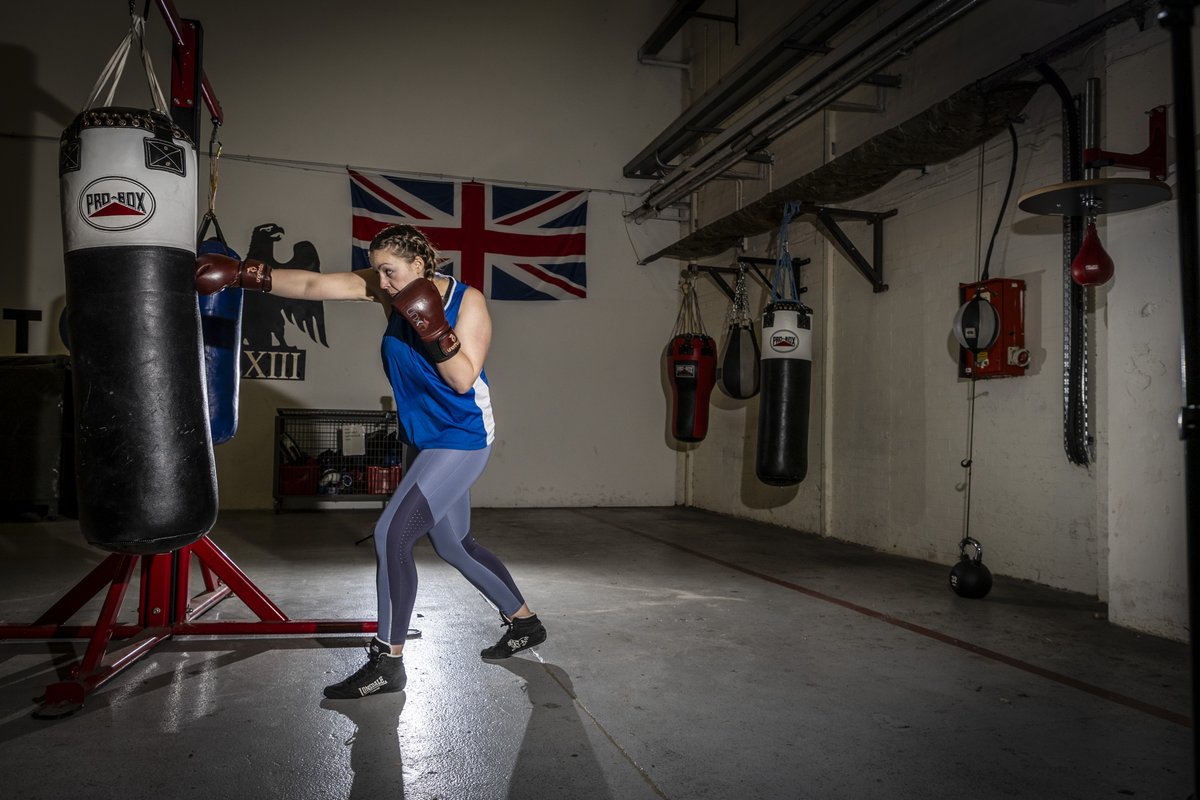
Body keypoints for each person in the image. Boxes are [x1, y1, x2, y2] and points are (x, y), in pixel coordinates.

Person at [195, 224, 547, 700]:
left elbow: (463, 380)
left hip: (462, 437)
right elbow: (313, 285)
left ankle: (388, 661)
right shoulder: (388, 292)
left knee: (391, 534)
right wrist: (242, 275)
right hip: (428, 439)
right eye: (377, 271)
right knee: (455, 545)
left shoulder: (469, 302)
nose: (381, 283)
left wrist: (433, 325)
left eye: (390, 271)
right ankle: (524, 622)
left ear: (419, 265)